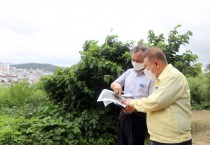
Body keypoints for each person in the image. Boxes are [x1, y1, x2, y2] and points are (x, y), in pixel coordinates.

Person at [122, 47, 192, 145]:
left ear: (156, 64)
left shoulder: (173, 77)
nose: (145, 70)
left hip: (173, 140)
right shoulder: (161, 79)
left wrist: (132, 102)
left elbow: (156, 102)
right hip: (160, 137)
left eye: (146, 66)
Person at [111, 46, 154, 145]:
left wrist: (135, 108)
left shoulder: (151, 77)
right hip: (124, 113)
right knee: (122, 142)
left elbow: (152, 100)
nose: (135, 63)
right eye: (133, 60)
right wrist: (116, 85)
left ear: (145, 59)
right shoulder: (129, 72)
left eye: (138, 60)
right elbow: (113, 83)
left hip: (139, 116)